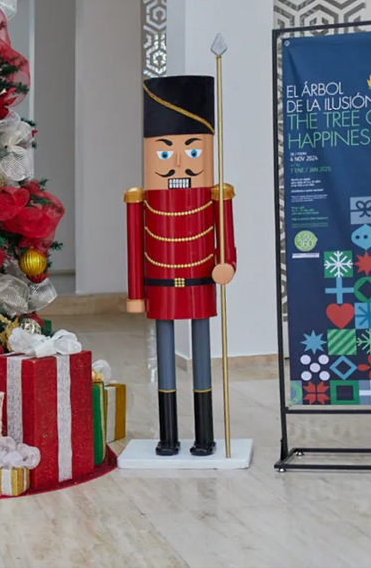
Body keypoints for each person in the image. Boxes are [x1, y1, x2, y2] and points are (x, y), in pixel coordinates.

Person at [125, 75, 236, 456]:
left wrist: (227, 265)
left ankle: (205, 436)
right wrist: (136, 294)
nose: (176, 165)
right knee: (166, 358)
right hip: (159, 284)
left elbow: (227, 241)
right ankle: (168, 436)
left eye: (191, 153)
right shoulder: (139, 200)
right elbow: (134, 247)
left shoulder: (218, 195)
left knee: (202, 358)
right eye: (163, 153)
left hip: (202, 281)